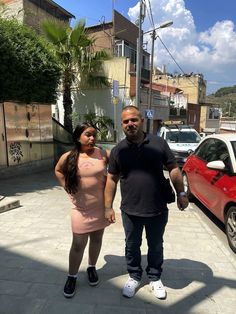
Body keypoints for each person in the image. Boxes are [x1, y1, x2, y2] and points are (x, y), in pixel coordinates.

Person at [104, 106, 188, 299]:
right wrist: (107, 207)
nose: (130, 124)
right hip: (130, 210)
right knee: (131, 245)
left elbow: (174, 169)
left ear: (141, 121)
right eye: (126, 121)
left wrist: (181, 192)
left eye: (133, 120)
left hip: (157, 208)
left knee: (156, 245)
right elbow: (111, 179)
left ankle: (154, 277)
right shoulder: (118, 150)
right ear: (122, 124)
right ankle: (134, 275)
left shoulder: (158, 143)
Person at [55, 123, 110, 298]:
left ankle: (92, 267)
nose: (92, 138)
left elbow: (116, 171)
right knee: (78, 244)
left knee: (96, 239)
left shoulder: (103, 154)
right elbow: (58, 170)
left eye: (94, 135)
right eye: (88, 135)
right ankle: (72, 276)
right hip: (80, 209)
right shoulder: (69, 156)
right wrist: (67, 188)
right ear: (78, 137)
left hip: (100, 208)